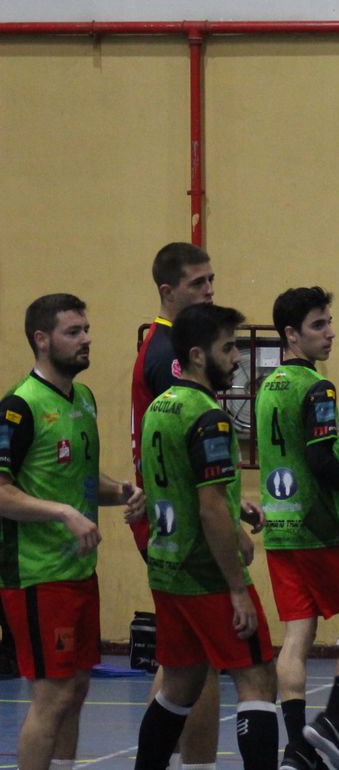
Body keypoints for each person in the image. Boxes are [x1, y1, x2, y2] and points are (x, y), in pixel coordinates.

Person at [0, 293, 143, 770]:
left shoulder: (83, 399)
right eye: (73, 332)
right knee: (52, 696)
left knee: (78, 688)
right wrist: (62, 513)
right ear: (41, 340)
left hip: (81, 570)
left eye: (86, 330)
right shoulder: (19, 408)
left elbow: (83, 481)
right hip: (37, 575)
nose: (86, 340)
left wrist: (122, 491)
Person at [133, 303, 277, 770]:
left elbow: (180, 480)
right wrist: (237, 588)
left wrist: (235, 503)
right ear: (198, 355)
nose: (237, 357)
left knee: (180, 684)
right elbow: (208, 504)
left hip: (167, 570)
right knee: (256, 678)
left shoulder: (159, 407)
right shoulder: (208, 417)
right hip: (207, 575)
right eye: (228, 347)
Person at [255, 287, 339, 770]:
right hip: (324, 530)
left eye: (329, 322)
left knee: (296, 638)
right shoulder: (317, 388)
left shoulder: (266, 387)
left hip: (281, 532)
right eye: (318, 326)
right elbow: (321, 460)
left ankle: (296, 750)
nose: (330, 333)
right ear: (291, 334)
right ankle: (333, 720)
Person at [131, 241, 223, 770]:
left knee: (183, 662)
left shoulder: (170, 346)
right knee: (199, 661)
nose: (210, 291)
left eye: (212, 280)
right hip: (174, 525)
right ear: (168, 292)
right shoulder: (170, 358)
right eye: (198, 284)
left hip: (168, 520)